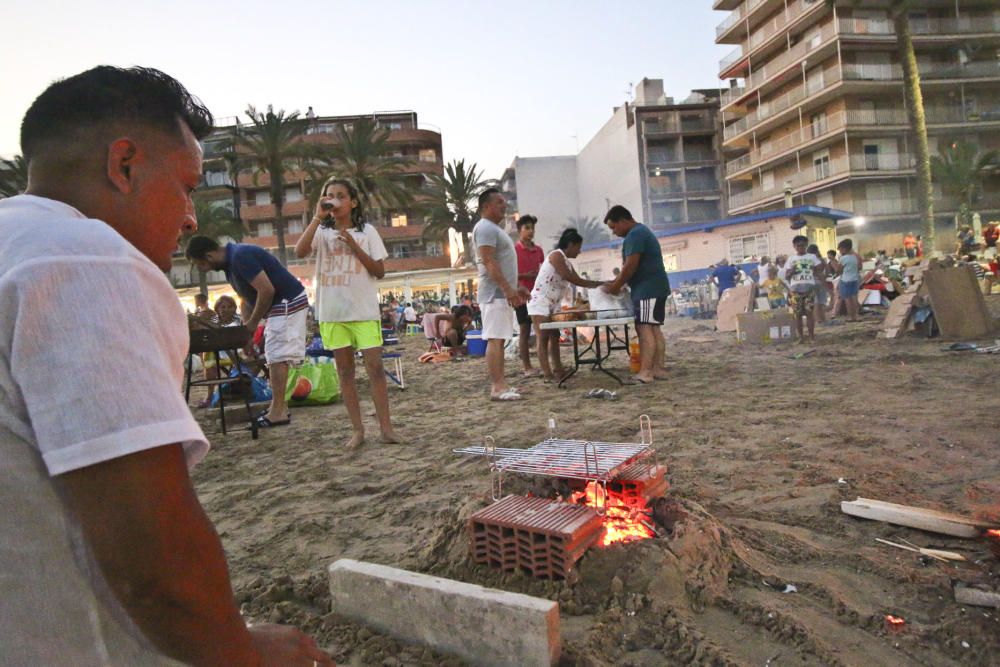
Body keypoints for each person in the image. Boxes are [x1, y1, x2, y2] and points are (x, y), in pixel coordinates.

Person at [1, 66, 331, 666]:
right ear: (124, 164)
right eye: (185, 185)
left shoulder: (16, 246)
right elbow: (152, 560)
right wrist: (240, 655)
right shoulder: (87, 262)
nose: (190, 218)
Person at [295, 178, 399, 448]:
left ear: (353, 202)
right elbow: (300, 250)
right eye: (329, 195)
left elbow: (379, 271)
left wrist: (354, 245)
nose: (334, 200)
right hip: (332, 313)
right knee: (345, 372)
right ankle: (358, 430)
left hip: (364, 311)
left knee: (376, 369)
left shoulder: (367, 232)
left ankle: (386, 429)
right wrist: (317, 218)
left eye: (341, 195)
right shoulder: (321, 231)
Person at [187, 235, 306, 428]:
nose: (202, 269)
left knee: (277, 355)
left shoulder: (240, 256)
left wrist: (252, 324)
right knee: (274, 354)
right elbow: (246, 299)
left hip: (288, 300)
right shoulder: (230, 266)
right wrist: (246, 332)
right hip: (277, 305)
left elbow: (266, 290)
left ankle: (278, 412)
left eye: (199, 264)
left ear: (208, 256)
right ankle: (277, 408)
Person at [603, 205, 671, 384]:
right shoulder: (642, 232)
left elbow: (631, 265)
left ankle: (646, 371)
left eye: (614, 227)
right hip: (656, 286)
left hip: (647, 289)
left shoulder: (635, 234)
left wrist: (616, 285)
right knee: (654, 328)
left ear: (623, 221)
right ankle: (658, 368)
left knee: (644, 328)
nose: (614, 232)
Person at [527, 228, 605, 382]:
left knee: (555, 336)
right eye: (578, 247)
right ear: (570, 244)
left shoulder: (566, 262)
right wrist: (598, 284)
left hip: (553, 303)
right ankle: (547, 374)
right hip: (540, 302)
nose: (580, 251)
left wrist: (600, 284)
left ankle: (557, 369)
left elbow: (578, 279)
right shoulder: (556, 256)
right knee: (543, 338)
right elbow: (570, 278)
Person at [472, 187, 525, 400]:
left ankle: (501, 384)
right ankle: (497, 387)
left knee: (500, 339)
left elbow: (500, 262)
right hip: (494, 294)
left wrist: (515, 286)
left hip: (500, 293)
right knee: (495, 339)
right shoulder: (485, 228)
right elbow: (489, 261)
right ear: (486, 206)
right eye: (499, 202)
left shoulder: (493, 228)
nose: (505, 206)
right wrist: (506, 288)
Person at [514, 214, 544, 378]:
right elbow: (510, 274)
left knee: (542, 331)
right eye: (527, 228)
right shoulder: (515, 250)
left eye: (532, 228)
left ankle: (544, 364)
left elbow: (543, 270)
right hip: (521, 295)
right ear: (520, 230)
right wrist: (527, 275)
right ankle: (527, 366)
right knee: (524, 331)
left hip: (538, 295)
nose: (531, 231)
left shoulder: (539, 250)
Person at [786, 235, 824, 343]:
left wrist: (815, 269)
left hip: (809, 289)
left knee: (809, 314)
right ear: (794, 246)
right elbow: (787, 276)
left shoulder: (812, 257)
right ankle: (801, 337)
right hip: (795, 290)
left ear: (806, 245)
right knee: (797, 315)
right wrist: (792, 271)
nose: (800, 248)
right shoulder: (791, 259)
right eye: (798, 246)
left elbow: (820, 268)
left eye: (802, 245)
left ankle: (811, 337)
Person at [837, 239, 862, 322]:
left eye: (840, 249)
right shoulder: (854, 257)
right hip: (855, 280)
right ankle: (856, 316)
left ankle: (851, 317)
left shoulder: (843, 258)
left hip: (845, 280)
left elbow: (838, 270)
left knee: (848, 300)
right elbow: (859, 268)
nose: (839, 251)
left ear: (844, 248)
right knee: (855, 299)